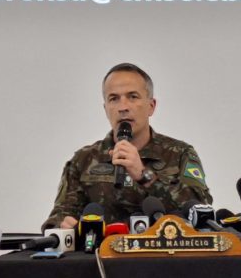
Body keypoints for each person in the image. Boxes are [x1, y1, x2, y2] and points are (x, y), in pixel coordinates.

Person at [42, 63, 213, 231]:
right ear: (106, 108)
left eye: (133, 96)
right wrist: (63, 227)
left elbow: (200, 210)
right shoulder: (84, 159)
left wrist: (144, 175)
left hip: (164, 256)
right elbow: (60, 215)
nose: (123, 107)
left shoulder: (180, 153)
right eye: (114, 99)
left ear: (151, 106)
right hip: (102, 257)